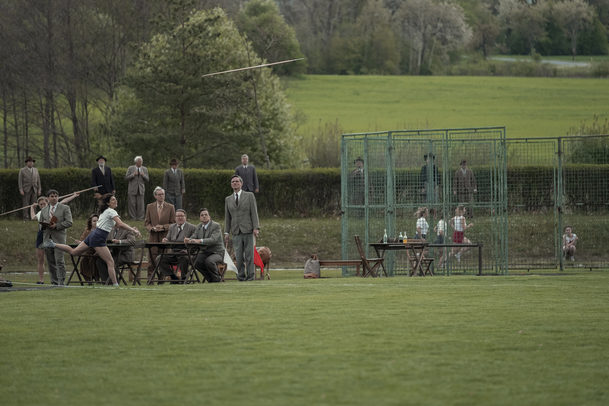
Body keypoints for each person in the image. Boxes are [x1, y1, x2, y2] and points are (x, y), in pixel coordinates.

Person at [39, 194, 142, 286]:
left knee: (74, 252)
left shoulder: (105, 211)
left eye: (115, 199)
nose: (115, 201)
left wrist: (130, 228)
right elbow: (120, 224)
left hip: (94, 235)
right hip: (98, 237)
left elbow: (116, 225)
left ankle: (53, 244)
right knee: (110, 262)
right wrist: (133, 229)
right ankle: (115, 285)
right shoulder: (111, 211)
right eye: (113, 200)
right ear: (107, 203)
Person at [30, 192, 79, 284]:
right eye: (52, 196)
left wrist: (57, 225)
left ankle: (61, 281)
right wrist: (44, 225)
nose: (54, 198)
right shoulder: (44, 210)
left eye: (56, 196)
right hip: (47, 237)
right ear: (48, 198)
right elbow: (40, 225)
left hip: (59, 238)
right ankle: (54, 282)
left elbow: (69, 222)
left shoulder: (64, 208)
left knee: (59, 260)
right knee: (50, 261)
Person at [224, 175, 260, 281]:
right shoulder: (228, 199)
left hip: (248, 229)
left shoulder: (249, 196)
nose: (235, 183)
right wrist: (226, 232)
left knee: (249, 255)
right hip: (236, 231)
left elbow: (254, 212)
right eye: (233, 182)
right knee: (239, 257)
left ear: (241, 183)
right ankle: (240, 276)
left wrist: (256, 227)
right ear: (231, 184)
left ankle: (250, 276)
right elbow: (227, 217)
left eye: (237, 181)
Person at [145, 187, 176, 281]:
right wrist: (152, 228)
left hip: (165, 237)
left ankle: (162, 279)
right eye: (159, 194)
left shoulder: (170, 207)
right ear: (155, 196)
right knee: (152, 259)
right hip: (153, 237)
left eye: (163, 194)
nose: (161, 196)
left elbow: (173, 223)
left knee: (163, 258)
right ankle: (150, 280)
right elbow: (147, 223)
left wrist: (163, 227)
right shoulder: (149, 207)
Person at [157, 209, 196, 283]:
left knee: (183, 258)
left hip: (186, 252)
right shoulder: (172, 227)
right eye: (178, 216)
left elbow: (195, 242)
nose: (180, 218)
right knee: (159, 258)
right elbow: (168, 239)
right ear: (175, 218)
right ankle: (173, 277)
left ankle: (184, 277)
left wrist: (189, 243)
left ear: (185, 217)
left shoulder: (192, 227)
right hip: (174, 253)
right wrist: (165, 240)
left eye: (182, 216)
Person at [187, 208, 225, 283]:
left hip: (217, 252)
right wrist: (189, 240)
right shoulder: (198, 227)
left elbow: (213, 239)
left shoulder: (216, 226)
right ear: (200, 218)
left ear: (209, 216)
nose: (204, 216)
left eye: (206, 215)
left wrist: (200, 240)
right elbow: (194, 236)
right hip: (205, 252)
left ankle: (216, 279)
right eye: (202, 215)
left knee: (209, 261)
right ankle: (210, 278)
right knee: (194, 260)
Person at [74, 214, 100, 282]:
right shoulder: (87, 230)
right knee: (83, 260)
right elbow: (83, 240)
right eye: (94, 221)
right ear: (90, 222)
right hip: (88, 250)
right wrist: (79, 241)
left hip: (98, 250)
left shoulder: (101, 230)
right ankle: (87, 278)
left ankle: (95, 277)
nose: (96, 222)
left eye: (97, 220)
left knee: (92, 260)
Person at [125, 155, 149, 220]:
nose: (141, 163)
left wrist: (143, 175)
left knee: (140, 204)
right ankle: (133, 217)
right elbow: (126, 178)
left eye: (141, 162)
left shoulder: (144, 169)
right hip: (132, 189)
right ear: (136, 162)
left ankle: (140, 217)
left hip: (140, 189)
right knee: (132, 204)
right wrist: (133, 174)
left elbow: (147, 179)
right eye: (139, 162)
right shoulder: (130, 168)